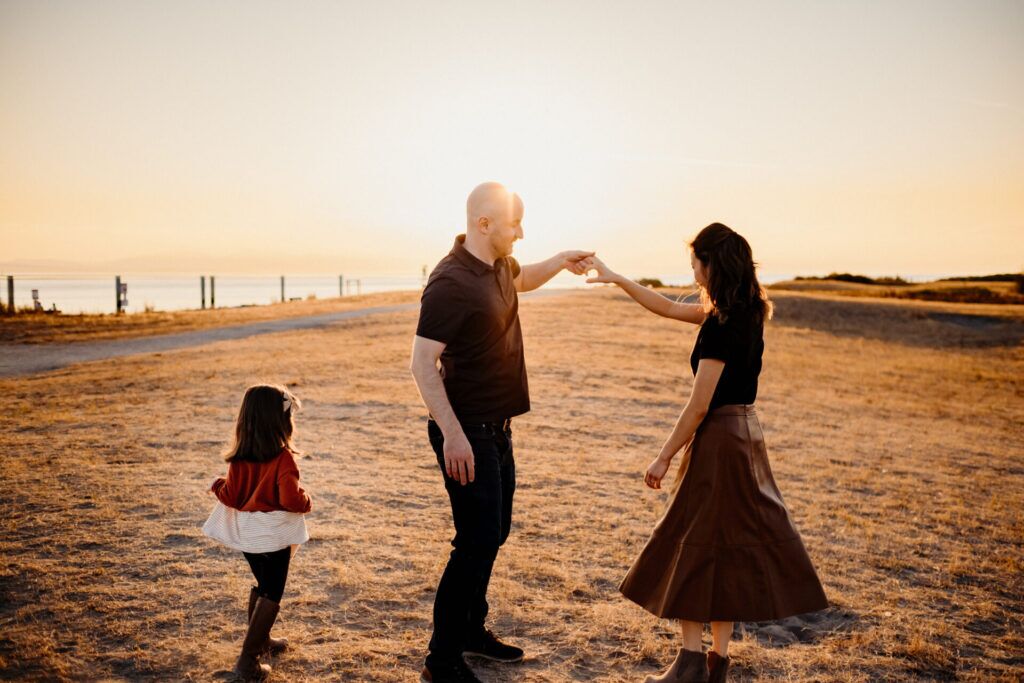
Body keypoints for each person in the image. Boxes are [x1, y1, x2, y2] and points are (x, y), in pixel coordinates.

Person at [583, 223, 828, 683]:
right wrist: (615, 277)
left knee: (692, 542)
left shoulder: (720, 326)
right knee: (724, 547)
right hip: (745, 436)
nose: (691, 269)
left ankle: (690, 663)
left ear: (712, 264)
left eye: (695, 261)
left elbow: (699, 405)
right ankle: (716, 661)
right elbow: (667, 307)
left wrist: (663, 456)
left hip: (718, 440)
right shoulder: (746, 312)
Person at [410, 182, 594, 683]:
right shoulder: (450, 282)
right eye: (515, 223)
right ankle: (441, 662)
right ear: (484, 224)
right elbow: (422, 363)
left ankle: (472, 630)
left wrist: (559, 260)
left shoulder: (496, 265)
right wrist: (452, 434)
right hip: (466, 432)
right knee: (475, 541)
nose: (521, 232)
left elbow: (523, 277)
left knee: (493, 534)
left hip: (497, 429)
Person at [202, 384, 312, 682]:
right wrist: (306, 501)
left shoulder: (238, 460)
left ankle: (262, 640)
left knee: (263, 584)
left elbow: (233, 497)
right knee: (272, 591)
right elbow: (291, 500)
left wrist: (217, 486)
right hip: (274, 537)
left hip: (249, 538)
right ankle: (247, 664)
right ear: (282, 422)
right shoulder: (283, 459)